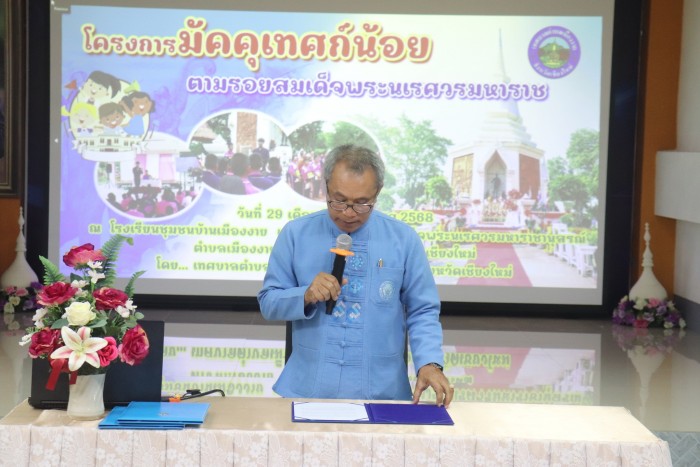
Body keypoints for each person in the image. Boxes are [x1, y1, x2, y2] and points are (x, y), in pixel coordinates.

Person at [258, 144, 453, 406]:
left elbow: (423, 310)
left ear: (378, 192)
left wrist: (429, 363)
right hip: (308, 389)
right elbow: (269, 302)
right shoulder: (295, 234)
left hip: (382, 392)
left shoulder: (403, 240)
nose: (348, 213)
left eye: (362, 203)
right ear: (326, 187)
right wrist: (304, 295)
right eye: (339, 201)